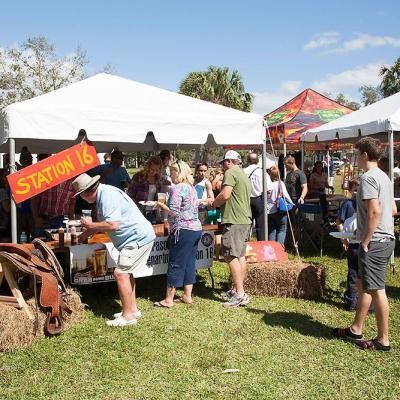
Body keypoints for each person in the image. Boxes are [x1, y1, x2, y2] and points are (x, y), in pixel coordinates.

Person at [332, 137, 396, 352]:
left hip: (375, 241)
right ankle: (356, 328)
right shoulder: (384, 178)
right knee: (363, 285)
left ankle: (383, 340)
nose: (356, 159)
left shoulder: (368, 178)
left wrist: (366, 241)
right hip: (384, 238)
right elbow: (392, 211)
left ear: (365, 155)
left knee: (377, 290)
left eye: (356, 154)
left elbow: (375, 212)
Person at [73, 173, 155, 327]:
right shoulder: (105, 193)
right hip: (138, 237)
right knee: (126, 272)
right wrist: (83, 235)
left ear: (84, 194)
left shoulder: (107, 196)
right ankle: (132, 309)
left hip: (136, 238)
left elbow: (112, 225)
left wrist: (90, 226)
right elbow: (105, 223)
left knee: (120, 273)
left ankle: (128, 316)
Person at [153, 160, 202, 307]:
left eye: (173, 172)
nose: (171, 175)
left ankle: (169, 299)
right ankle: (187, 295)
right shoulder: (192, 188)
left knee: (175, 263)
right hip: (196, 229)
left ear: (179, 173)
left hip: (182, 230)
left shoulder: (177, 188)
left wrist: (161, 205)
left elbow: (174, 212)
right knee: (189, 263)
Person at [208, 150, 252, 307]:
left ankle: (240, 293)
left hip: (234, 220)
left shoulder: (231, 173)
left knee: (230, 256)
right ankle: (237, 289)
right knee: (239, 255)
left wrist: (213, 203)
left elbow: (225, 194)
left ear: (229, 161)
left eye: (223, 162)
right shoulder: (242, 174)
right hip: (244, 219)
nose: (223, 165)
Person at [335, 178, 360, 311]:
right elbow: (339, 222)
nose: (357, 192)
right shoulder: (347, 205)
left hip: (366, 243)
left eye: (360, 190)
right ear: (350, 190)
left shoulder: (368, 204)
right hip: (353, 243)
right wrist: (343, 239)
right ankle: (351, 301)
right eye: (355, 190)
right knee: (353, 274)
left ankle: (366, 303)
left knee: (364, 275)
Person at [244, 152, 271, 241]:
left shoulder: (243, 172)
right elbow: (269, 189)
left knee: (246, 224)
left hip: (246, 200)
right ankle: (261, 245)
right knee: (260, 225)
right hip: (259, 199)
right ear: (258, 161)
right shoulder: (263, 172)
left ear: (248, 160)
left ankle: (244, 244)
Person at [128, 156, 163, 222]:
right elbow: (130, 195)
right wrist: (136, 207)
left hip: (152, 213)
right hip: (138, 212)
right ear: (147, 167)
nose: (153, 172)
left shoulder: (158, 179)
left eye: (156, 170)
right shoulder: (138, 177)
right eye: (152, 169)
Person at [267, 166, 293, 245]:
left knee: (272, 230)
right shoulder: (280, 183)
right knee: (282, 229)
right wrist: (291, 203)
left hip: (269, 210)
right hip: (279, 210)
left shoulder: (267, 184)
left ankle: (272, 249)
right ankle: (279, 248)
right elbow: (286, 195)